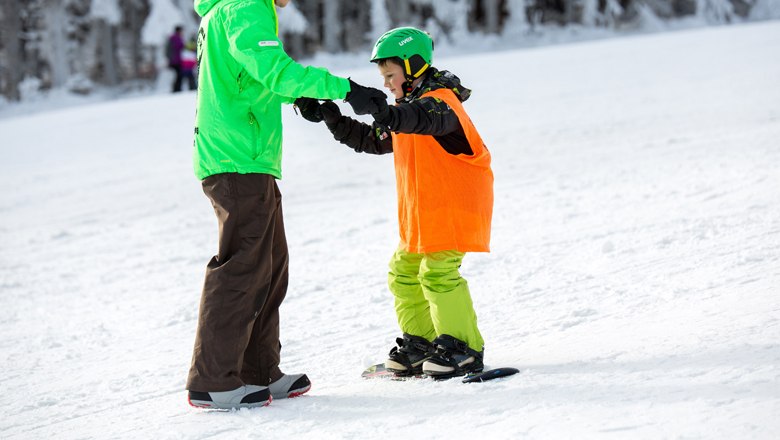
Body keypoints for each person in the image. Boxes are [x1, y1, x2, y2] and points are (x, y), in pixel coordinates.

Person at [186, 0, 385, 410]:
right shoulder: (244, 7)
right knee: (242, 266)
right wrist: (345, 89)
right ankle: (214, 380)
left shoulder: (229, 10)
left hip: (248, 158)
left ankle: (257, 370)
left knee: (270, 266)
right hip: (236, 157)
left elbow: (247, 78)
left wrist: (300, 100)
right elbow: (274, 68)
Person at [294, 27, 493, 379]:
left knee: (438, 274)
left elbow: (418, 119)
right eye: (382, 77)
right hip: (424, 211)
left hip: (455, 205)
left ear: (414, 66)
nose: (385, 83)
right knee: (403, 272)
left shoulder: (441, 103)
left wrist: (384, 111)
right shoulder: (406, 109)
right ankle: (423, 344)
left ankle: (464, 348)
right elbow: (373, 140)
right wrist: (332, 117)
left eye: (390, 75)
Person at [166, 26, 185, 92]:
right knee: (178, 75)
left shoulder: (173, 38)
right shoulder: (176, 38)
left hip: (174, 60)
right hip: (176, 61)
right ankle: (176, 89)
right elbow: (180, 46)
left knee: (177, 75)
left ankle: (176, 89)